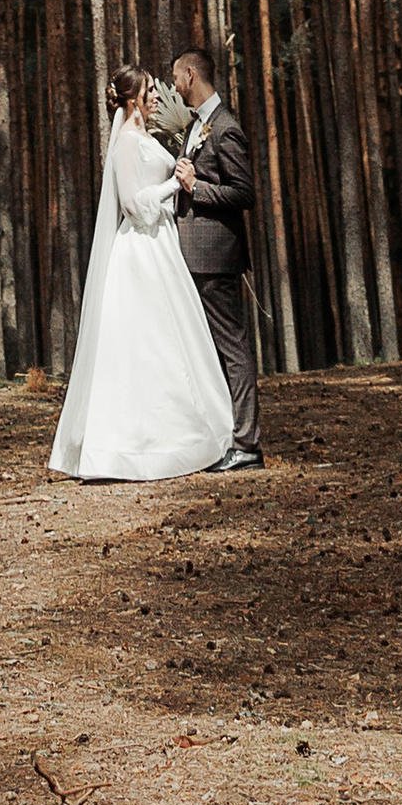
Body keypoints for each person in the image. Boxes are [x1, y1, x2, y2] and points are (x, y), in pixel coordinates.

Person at [47, 64, 236, 481]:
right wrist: (176, 184)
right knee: (146, 344)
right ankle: (134, 447)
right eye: (150, 90)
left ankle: (181, 429)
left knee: (170, 341)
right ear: (133, 98)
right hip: (141, 250)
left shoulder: (145, 137)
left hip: (162, 244)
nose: (157, 96)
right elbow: (133, 204)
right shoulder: (128, 144)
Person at [170, 42, 262, 469]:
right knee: (205, 351)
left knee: (233, 348)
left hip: (215, 257)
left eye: (175, 77)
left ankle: (247, 444)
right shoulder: (195, 125)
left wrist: (196, 189)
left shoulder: (225, 127)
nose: (173, 85)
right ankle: (222, 436)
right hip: (192, 255)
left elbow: (244, 193)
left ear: (191, 75)